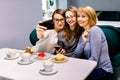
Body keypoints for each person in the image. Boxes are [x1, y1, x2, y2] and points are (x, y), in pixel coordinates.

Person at [74, 6, 113, 80]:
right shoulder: (84, 33)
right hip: (92, 68)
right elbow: (77, 55)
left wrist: (80, 68)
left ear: (90, 18)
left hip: (103, 70)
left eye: (83, 16)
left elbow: (94, 59)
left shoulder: (95, 31)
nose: (79, 19)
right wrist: (83, 42)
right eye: (78, 16)